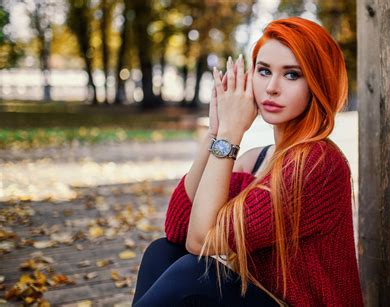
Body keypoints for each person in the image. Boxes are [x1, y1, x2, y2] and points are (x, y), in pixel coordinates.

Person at [132, 17, 363, 306]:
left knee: (193, 274)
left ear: (318, 83)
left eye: (292, 75)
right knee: (163, 252)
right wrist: (215, 132)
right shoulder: (256, 160)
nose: (272, 88)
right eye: (264, 71)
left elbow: (200, 241)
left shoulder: (317, 164)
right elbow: (179, 228)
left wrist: (230, 135)